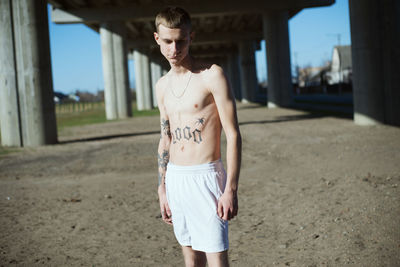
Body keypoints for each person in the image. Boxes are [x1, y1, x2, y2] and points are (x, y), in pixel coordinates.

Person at [154, 6, 242, 267]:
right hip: (176, 180)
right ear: (157, 39)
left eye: (181, 41)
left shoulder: (211, 75)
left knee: (216, 259)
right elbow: (165, 138)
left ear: (191, 37)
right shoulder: (161, 86)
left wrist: (231, 190)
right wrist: (162, 187)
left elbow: (234, 135)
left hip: (206, 177)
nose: (174, 49)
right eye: (168, 41)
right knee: (191, 260)